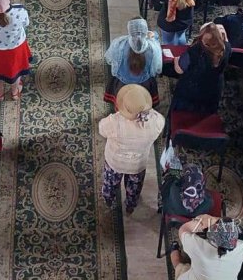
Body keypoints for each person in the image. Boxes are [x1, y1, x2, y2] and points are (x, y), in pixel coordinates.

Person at [98, 84, 165, 215]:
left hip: (115, 162)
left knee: (111, 183)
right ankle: (130, 205)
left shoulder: (114, 122)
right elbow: (160, 121)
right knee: (134, 187)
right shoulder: (155, 121)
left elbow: (101, 129)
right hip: (138, 164)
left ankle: (109, 199)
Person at [171, 23, 230, 113]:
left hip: (192, 92)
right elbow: (225, 40)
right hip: (213, 89)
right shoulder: (227, 48)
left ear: (203, 40)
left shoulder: (195, 52)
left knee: (184, 112)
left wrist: (176, 60)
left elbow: (179, 70)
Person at [169, 215, 243, 280]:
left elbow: (183, 230)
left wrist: (202, 222)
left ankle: (175, 252)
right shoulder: (241, 247)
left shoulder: (199, 247)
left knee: (180, 268)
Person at [105, 18, 163, 99]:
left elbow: (110, 60)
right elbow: (155, 70)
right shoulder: (153, 48)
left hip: (123, 84)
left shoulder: (119, 43)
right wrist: (152, 38)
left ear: (130, 30)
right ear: (145, 31)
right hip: (144, 85)